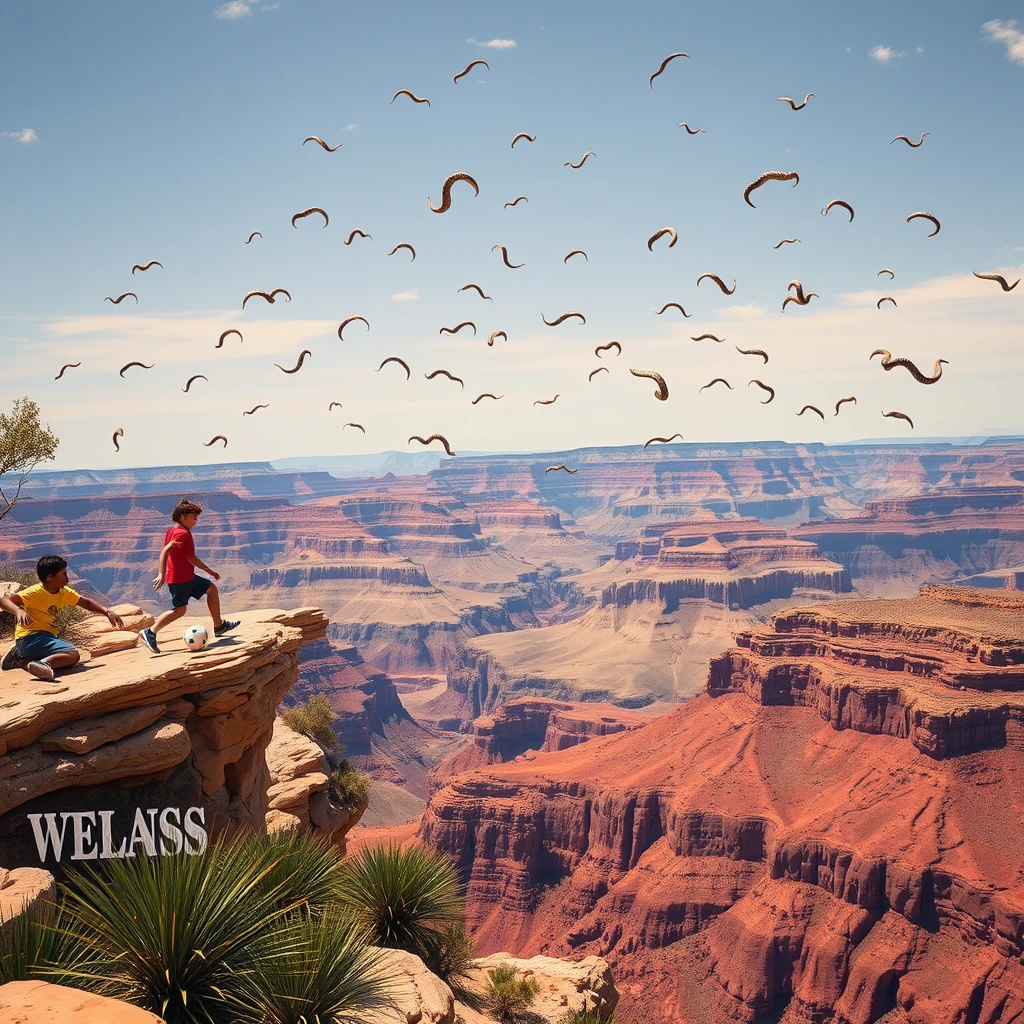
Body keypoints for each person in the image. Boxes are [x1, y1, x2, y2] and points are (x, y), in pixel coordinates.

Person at [0, 555, 125, 681]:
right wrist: (18, 611)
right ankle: (42, 664)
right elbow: (3, 601)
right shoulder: (34, 593)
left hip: (43, 638)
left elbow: (86, 603)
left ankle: (20, 657)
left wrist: (107, 612)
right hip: (30, 637)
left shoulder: (64, 592)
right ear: (50, 577)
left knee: (63, 652)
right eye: (64, 574)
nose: (68, 577)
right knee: (72, 654)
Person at [139, 498, 238, 654]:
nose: (196, 522)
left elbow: (170, 550)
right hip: (180, 579)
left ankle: (219, 626)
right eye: (194, 518)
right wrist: (210, 571)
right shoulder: (183, 534)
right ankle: (150, 632)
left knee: (211, 589)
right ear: (183, 516)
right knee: (180, 610)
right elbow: (178, 554)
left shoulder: (172, 530)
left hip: (186, 576)